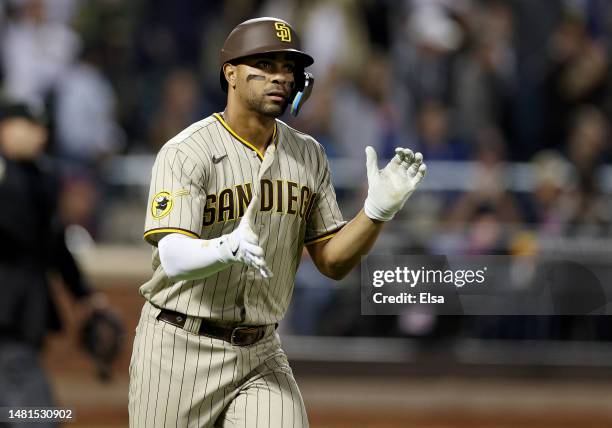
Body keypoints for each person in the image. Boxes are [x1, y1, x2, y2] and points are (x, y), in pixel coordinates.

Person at [128, 17, 427, 428]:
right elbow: (173, 256)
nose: (281, 77)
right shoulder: (186, 152)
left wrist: (375, 214)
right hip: (179, 346)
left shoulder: (308, 155)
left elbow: (332, 262)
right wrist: (224, 248)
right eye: (266, 65)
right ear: (230, 73)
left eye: (288, 68)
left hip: (261, 351)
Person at [0, 101, 108, 426]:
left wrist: (82, 293)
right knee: (38, 416)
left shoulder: (41, 177)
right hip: (7, 322)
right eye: (31, 126)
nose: (40, 135)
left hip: (19, 317)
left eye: (43, 129)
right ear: (6, 128)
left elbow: (53, 243)